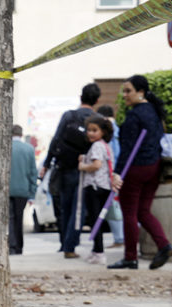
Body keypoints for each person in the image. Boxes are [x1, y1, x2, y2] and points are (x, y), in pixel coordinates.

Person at [108, 75, 172, 270]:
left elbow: (127, 148)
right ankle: (164, 245)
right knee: (143, 211)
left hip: (135, 169)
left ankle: (130, 257)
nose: (125, 95)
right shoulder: (154, 112)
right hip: (154, 167)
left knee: (129, 213)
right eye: (124, 91)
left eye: (128, 91)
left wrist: (117, 173)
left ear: (141, 92)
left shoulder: (134, 115)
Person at [40, 83, 101, 259]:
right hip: (84, 170)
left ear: (80, 96)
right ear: (97, 100)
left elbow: (56, 138)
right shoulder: (96, 119)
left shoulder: (69, 115)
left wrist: (47, 163)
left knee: (65, 207)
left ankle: (64, 244)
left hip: (64, 167)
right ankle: (70, 246)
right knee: (79, 209)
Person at [78, 115, 114, 264]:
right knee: (97, 220)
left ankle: (99, 252)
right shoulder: (105, 145)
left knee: (95, 221)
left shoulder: (97, 146)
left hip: (95, 186)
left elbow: (97, 165)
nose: (90, 133)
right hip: (103, 186)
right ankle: (96, 250)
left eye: (95, 130)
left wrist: (82, 166)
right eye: (89, 130)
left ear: (103, 132)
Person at [97, 104, 125, 248]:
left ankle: (119, 239)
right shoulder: (120, 129)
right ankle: (121, 237)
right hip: (122, 171)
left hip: (113, 172)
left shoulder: (110, 131)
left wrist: (112, 173)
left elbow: (112, 152)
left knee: (113, 206)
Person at [9, 125, 37, 255]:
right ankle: (19, 247)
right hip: (23, 190)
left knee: (9, 218)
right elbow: (33, 173)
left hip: (7, 190)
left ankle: (11, 245)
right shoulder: (29, 149)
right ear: (21, 134)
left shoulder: (5, 148)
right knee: (19, 219)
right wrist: (32, 193)